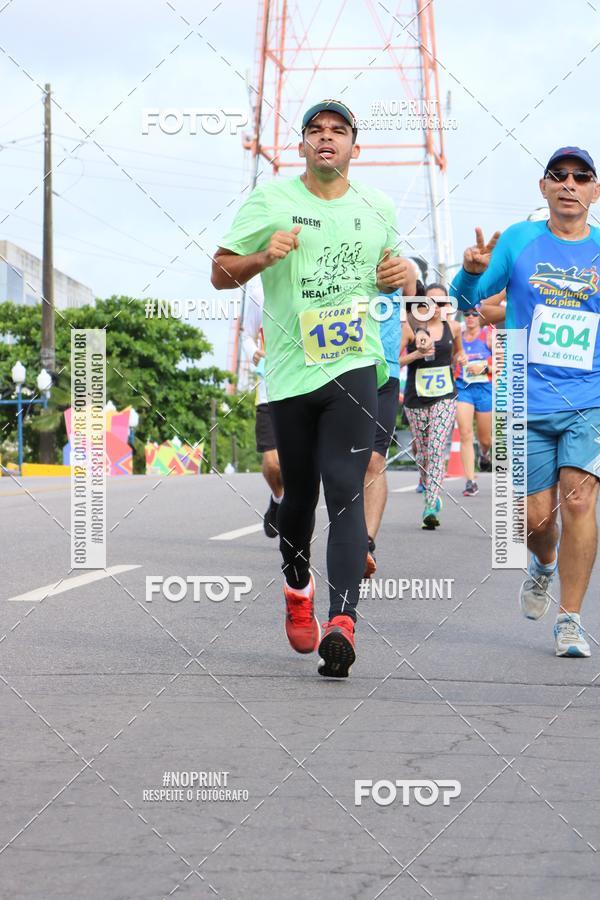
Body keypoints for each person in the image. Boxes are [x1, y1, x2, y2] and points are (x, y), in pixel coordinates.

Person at [212, 99, 411, 677]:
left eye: (339, 131)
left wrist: (407, 276)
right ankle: (297, 589)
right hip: (291, 375)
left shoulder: (378, 207)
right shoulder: (272, 200)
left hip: (354, 363)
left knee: (345, 484)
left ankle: (343, 623)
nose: (327, 139)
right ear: (302, 146)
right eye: (316, 132)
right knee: (298, 499)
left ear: (355, 147)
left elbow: (394, 272)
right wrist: (259, 256)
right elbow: (219, 273)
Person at [451, 146, 600, 657]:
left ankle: (572, 618)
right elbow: (466, 301)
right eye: (558, 175)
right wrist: (471, 271)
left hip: (589, 399)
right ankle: (542, 564)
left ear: (594, 191)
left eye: (581, 177)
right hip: (522, 395)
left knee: (579, 499)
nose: (569, 184)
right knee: (536, 522)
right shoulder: (519, 240)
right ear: (544, 188)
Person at [363, 268, 417, 576]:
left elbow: (408, 314)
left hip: (387, 375)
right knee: (345, 462)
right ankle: (347, 534)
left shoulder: (404, 269)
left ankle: (366, 543)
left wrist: (416, 332)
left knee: (374, 459)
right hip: (344, 368)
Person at [401, 286, 467, 529]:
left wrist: (461, 357)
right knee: (423, 452)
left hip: (445, 396)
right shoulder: (409, 328)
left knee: (437, 448)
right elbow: (395, 361)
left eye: (442, 303)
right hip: (416, 397)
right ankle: (427, 484)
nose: (437, 307)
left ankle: (430, 505)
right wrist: (416, 354)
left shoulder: (454, 328)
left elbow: (459, 353)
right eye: (431, 302)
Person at [241, 278, 284, 537]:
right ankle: (278, 499)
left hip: (305, 385)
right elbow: (246, 335)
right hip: (270, 388)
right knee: (272, 464)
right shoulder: (259, 288)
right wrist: (254, 352)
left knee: (299, 465)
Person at [455, 308, 493, 496]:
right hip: (464, 389)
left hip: (485, 390)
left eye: (474, 314)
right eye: (467, 314)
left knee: (485, 439)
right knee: (465, 433)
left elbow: (503, 363)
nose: (470, 317)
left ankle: (484, 453)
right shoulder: (458, 337)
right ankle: (470, 481)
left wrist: (482, 367)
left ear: (481, 317)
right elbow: (450, 359)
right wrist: (457, 359)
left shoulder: (489, 336)